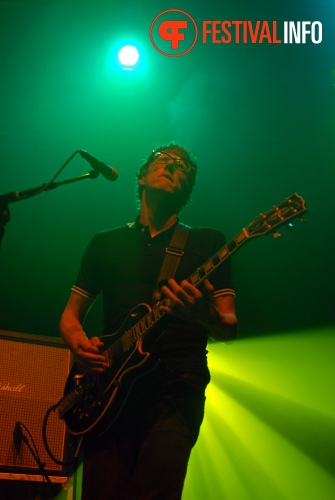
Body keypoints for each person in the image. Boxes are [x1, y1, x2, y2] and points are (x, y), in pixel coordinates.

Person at [59, 144, 238, 499]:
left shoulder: (208, 242)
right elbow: (70, 315)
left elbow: (229, 325)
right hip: (107, 393)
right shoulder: (105, 243)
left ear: (188, 189)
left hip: (175, 390)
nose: (174, 167)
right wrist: (80, 344)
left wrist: (201, 314)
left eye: (183, 167)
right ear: (141, 177)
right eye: (164, 161)